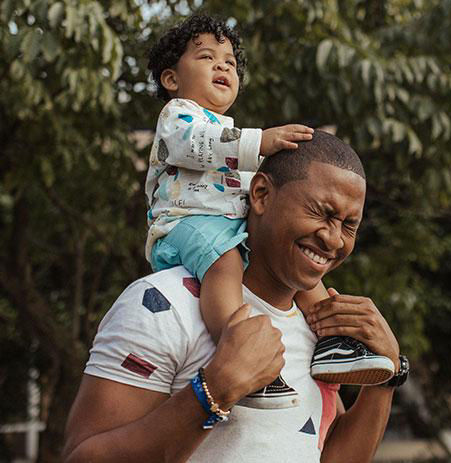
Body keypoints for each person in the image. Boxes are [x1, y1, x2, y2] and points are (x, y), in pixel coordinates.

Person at [63, 131, 409, 462]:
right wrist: (213, 390)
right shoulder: (163, 304)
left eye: (349, 225)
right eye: (322, 212)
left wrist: (388, 373)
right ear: (260, 194)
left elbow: (326, 455)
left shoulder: (319, 329)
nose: (334, 240)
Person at [144, 14, 394, 409]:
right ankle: (241, 349)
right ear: (171, 79)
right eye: (207, 57)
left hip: (224, 223)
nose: (222, 66)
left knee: (302, 272)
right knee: (225, 264)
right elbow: (196, 144)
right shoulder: (178, 117)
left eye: (229, 62)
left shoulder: (226, 130)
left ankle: (333, 342)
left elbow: (247, 184)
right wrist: (262, 141)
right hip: (183, 222)